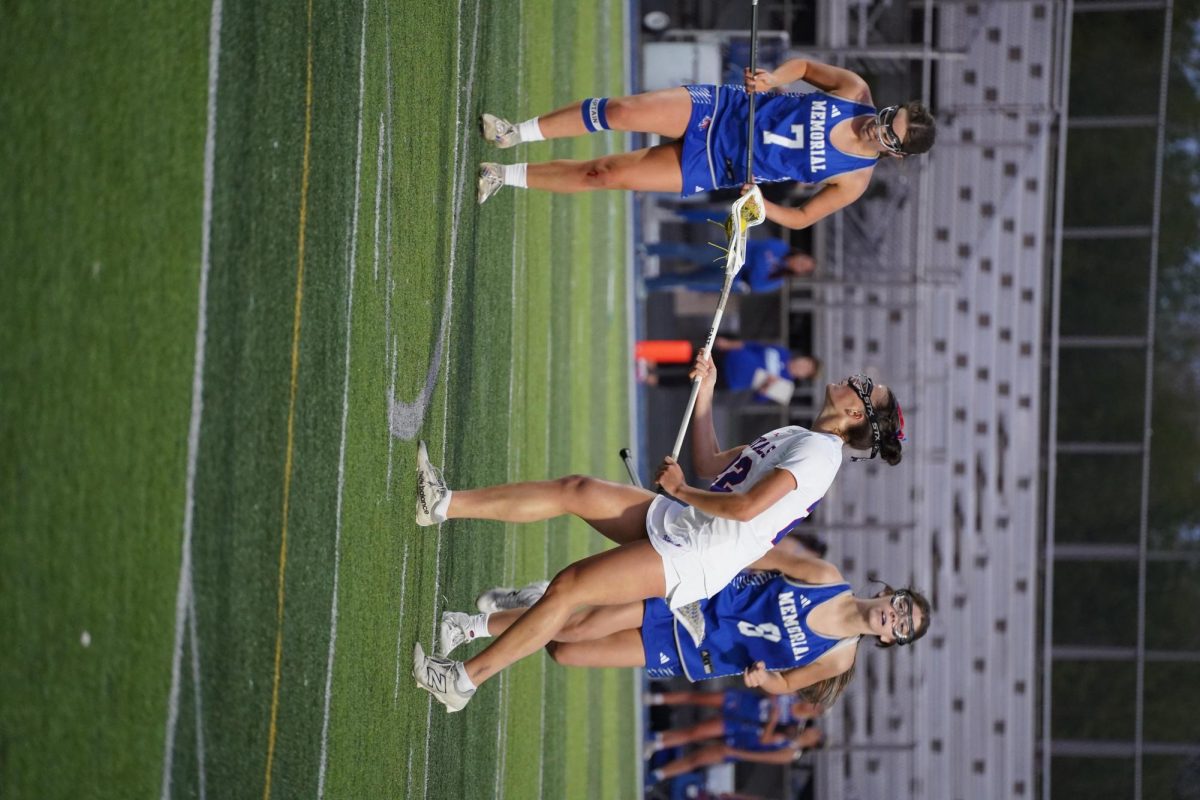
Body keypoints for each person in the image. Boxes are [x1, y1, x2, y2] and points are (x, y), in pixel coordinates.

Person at [410, 359, 906, 712]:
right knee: (576, 490)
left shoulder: (820, 457)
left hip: (696, 553)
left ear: (856, 414)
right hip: (687, 523)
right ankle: (443, 504)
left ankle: (463, 680)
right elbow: (714, 464)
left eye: (863, 387)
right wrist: (707, 393)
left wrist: (683, 490)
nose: (854, 379)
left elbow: (746, 508)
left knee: (569, 591)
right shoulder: (806, 437)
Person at [434, 546, 931, 706]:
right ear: (890, 593)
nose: (897, 616)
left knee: (566, 650)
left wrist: (764, 680)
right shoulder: (825, 578)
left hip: (698, 654)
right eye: (903, 605)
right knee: (577, 627)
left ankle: (537, 603)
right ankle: (472, 627)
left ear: (890, 639)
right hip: (692, 603)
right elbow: (761, 551)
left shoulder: (839, 655)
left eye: (903, 627)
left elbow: (786, 685)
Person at [475, 57, 936, 230]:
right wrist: (773, 78)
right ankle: (515, 132)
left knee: (607, 175)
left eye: (887, 135)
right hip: (728, 110)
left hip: (721, 165)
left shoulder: (854, 180)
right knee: (623, 111)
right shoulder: (854, 91)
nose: (876, 127)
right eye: (884, 117)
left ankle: (502, 176)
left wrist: (759, 204)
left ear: (896, 153)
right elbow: (807, 69)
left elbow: (799, 218)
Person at [647, 721, 824, 784]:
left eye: (816, 735)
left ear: (814, 744)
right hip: (744, 732)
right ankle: (657, 741)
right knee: (697, 732)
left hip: (740, 749)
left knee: (697, 759)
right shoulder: (794, 729)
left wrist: (736, 753)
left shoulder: (791, 754)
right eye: (815, 730)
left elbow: (762, 756)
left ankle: (657, 775)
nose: (812, 731)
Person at [643, 237, 815, 294]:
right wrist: (756, 268)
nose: (799, 263)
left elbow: (756, 284)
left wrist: (756, 267)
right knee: (687, 252)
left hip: (729, 276)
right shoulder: (781, 247)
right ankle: (648, 249)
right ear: (800, 253)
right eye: (803, 260)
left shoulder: (778, 280)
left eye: (803, 267)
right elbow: (761, 250)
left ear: (798, 272)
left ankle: (648, 284)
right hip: (728, 252)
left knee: (686, 279)